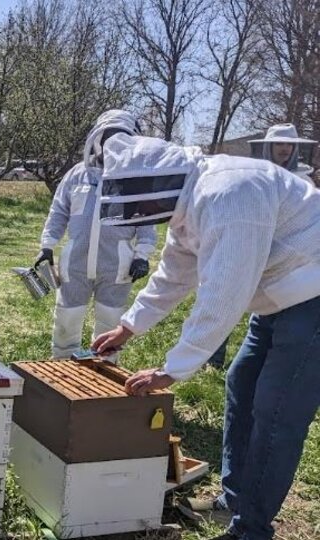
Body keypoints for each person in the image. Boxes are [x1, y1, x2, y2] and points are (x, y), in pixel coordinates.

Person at [92, 134, 320, 540]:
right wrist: (128, 326)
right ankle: (234, 501)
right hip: (276, 300)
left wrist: (170, 371)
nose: (141, 211)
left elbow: (223, 294)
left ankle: (250, 530)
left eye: (139, 200)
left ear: (159, 180)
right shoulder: (192, 202)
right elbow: (174, 274)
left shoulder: (229, 194)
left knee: (275, 412)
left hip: (312, 299)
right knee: (241, 385)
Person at [36, 110, 156, 361]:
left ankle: (103, 374)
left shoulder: (135, 179)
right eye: (108, 137)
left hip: (116, 264)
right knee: (67, 318)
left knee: (110, 324)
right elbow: (58, 212)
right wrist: (47, 246)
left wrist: (142, 255)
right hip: (76, 262)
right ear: (97, 138)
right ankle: (61, 369)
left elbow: (147, 222)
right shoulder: (77, 174)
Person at [206, 123, 319, 368]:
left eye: (290, 144)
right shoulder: (253, 177)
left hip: (282, 260)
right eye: (280, 143)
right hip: (246, 247)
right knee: (226, 297)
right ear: (268, 146)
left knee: (263, 309)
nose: (285, 149)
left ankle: (262, 360)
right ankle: (212, 358)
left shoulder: (304, 181)